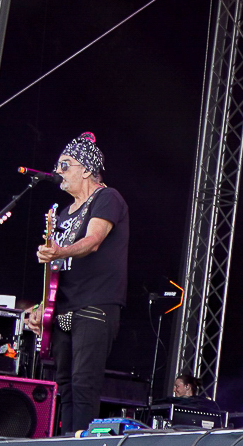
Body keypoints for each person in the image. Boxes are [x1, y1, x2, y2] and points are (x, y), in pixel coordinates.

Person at [23, 133, 129, 434]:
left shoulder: (107, 198)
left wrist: (59, 251)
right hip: (64, 306)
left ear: (86, 169)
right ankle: (68, 439)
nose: (58, 171)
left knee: (84, 383)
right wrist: (42, 307)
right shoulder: (64, 213)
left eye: (65, 165)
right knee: (65, 385)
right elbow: (58, 271)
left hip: (95, 303)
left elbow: (93, 241)